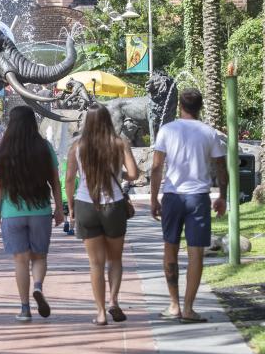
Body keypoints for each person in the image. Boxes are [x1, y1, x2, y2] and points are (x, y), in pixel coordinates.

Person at [150, 89, 227, 323]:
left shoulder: (167, 130)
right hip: (198, 198)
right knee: (196, 254)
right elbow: (221, 168)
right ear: (200, 106)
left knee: (169, 249)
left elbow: (156, 168)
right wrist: (222, 195)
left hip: (173, 196)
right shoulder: (209, 133)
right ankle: (189, 308)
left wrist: (154, 198)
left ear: (179, 106)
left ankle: (174, 305)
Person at [66, 104, 139, 326]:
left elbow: (69, 179)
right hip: (114, 206)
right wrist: (119, 171)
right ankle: (114, 301)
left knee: (95, 263)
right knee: (115, 259)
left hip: (86, 206)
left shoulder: (77, 146)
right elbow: (134, 174)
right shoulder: (119, 143)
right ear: (108, 121)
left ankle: (99, 312)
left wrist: (70, 208)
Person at [0, 105, 64, 322]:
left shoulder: (3, 151)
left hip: (12, 213)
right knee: (39, 256)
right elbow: (55, 181)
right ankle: (38, 286)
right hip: (40, 211)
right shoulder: (44, 147)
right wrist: (59, 208)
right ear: (33, 123)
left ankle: (24, 309)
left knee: (20, 261)